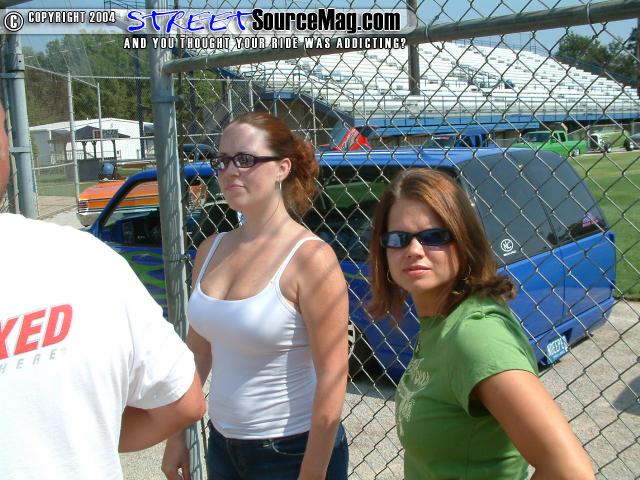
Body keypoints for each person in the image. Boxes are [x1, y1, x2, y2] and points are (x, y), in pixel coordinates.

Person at [0, 104, 206, 480]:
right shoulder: (85, 260)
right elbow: (185, 399)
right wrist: (87, 432)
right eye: (225, 161)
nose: (231, 171)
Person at [367, 168, 595, 480]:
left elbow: (570, 471)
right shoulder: (441, 321)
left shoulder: (475, 336)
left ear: (465, 239)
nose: (414, 250)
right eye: (398, 239)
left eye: (434, 236)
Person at [162, 112, 349, 480]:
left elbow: (333, 375)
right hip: (223, 447)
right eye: (222, 160)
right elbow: (199, 352)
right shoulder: (211, 249)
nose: (230, 171)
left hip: (291, 450)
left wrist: (313, 472)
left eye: (245, 159)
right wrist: (176, 434)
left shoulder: (311, 257)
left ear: (282, 168)